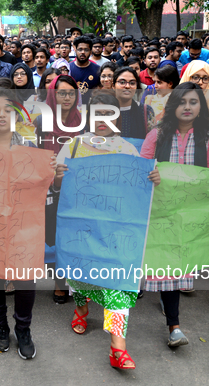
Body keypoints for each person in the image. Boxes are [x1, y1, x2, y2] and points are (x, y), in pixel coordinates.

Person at [55, 92, 159, 369]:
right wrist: (58, 176)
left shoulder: (128, 151)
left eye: (108, 113)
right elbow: (55, 187)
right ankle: (81, 307)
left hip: (117, 235)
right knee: (81, 277)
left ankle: (117, 347)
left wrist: (153, 179)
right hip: (82, 231)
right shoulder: (74, 146)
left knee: (120, 289)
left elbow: (142, 194)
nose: (102, 119)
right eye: (97, 113)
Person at [140, 83, 209, 346]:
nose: (187, 107)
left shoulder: (207, 138)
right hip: (156, 212)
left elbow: (208, 175)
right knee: (150, 262)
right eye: (182, 101)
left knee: (173, 269)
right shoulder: (157, 134)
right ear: (173, 105)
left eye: (193, 102)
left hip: (186, 215)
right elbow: (140, 168)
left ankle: (174, 326)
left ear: (201, 107)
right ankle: (120, 327)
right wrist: (149, 174)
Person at [0, 88, 55, 360]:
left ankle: (23, 329)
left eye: (8, 110)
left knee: (24, 279)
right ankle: (0, 327)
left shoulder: (30, 149)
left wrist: (54, 171)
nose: (1, 115)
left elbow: (43, 184)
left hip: (22, 225)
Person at [179, 60, 209, 128]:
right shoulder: (173, 97)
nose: (200, 82)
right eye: (196, 77)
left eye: (205, 78)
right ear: (188, 77)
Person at [113, 67, 154, 139]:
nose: (128, 86)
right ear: (113, 86)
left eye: (132, 83)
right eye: (122, 82)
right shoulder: (104, 110)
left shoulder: (146, 110)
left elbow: (152, 141)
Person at [70, 36, 101, 101]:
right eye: (80, 49)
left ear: (90, 52)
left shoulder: (98, 70)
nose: (83, 52)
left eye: (86, 50)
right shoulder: (68, 68)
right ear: (75, 50)